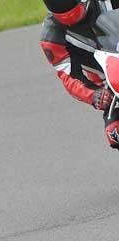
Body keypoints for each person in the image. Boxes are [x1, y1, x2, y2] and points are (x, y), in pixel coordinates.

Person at [40, 0, 119, 148]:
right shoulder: (50, 38)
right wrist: (94, 95)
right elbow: (69, 77)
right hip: (109, 81)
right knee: (115, 133)